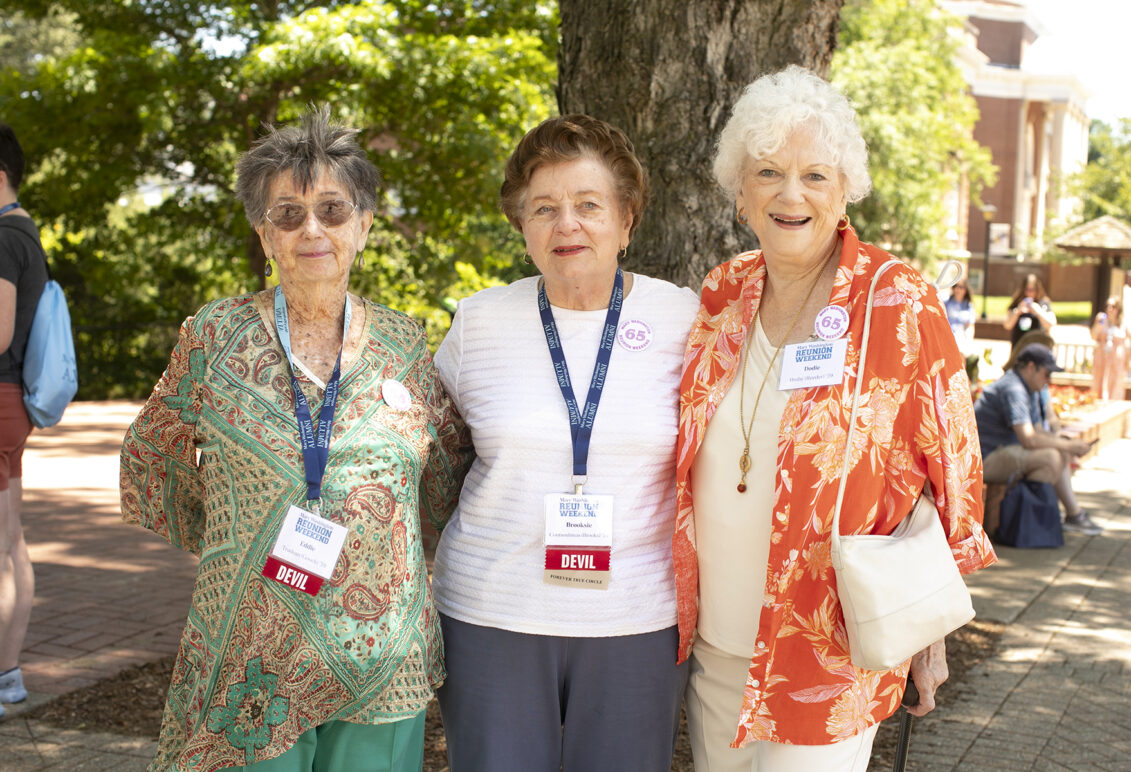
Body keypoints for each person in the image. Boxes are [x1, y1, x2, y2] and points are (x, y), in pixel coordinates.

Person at [119, 106, 472, 771]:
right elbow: (151, 456)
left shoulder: (406, 341)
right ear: (263, 233)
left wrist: (385, 551)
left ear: (364, 225)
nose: (311, 228)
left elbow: (445, 472)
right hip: (248, 657)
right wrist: (231, 538)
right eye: (288, 214)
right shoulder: (213, 336)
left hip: (379, 658)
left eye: (333, 211)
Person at [675, 65, 997, 770]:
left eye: (814, 176)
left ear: (844, 189)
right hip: (719, 646)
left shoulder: (897, 301)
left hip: (828, 650)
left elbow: (955, 470)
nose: (790, 195)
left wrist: (928, 620)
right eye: (767, 172)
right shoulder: (722, 293)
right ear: (738, 192)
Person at [431, 114, 699, 771]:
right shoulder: (478, 322)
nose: (566, 225)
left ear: (626, 219)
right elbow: (430, 460)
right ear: (521, 225)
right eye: (543, 208)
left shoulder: (686, 319)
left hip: (635, 620)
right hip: (491, 614)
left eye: (588, 205)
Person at [0, 124, 46, 721]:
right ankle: (8, 676)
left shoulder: (3, 237)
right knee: (11, 541)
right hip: (12, 402)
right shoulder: (25, 231)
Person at [975, 343, 1103, 535]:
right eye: (1046, 373)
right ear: (1030, 367)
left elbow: (1037, 433)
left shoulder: (1028, 387)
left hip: (1003, 451)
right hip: (983, 459)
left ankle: (1043, 520)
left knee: (1058, 453)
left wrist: (1065, 445)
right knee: (1051, 457)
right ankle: (1031, 523)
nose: (1048, 380)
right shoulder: (1014, 389)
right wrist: (1068, 445)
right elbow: (1029, 439)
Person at [1004, 273, 1056, 347]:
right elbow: (1007, 325)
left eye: (1032, 289)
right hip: (1019, 346)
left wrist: (1038, 311)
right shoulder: (1017, 303)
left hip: (1037, 346)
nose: (1029, 292)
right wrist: (1017, 311)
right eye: (1027, 289)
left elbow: (1051, 323)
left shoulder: (1043, 303)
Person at [1091, 296, 1126, 400]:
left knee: (1114, 383)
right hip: (1102, 358)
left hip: (1116, 360)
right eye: (1108, 305)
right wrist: (1098, 324)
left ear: (1118, 309)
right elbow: (1094, 336)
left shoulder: (1123, 324)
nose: (1109, 308)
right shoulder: (1102, 320)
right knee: (1100, 381)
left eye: (1113, 306)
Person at [945, 278, 976, 355]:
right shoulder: (946, 303)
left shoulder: (969, 306)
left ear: (965, 290)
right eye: (955, 286)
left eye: (960, 287)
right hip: (947, 336)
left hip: (961, 338)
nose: (957, 289)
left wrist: (968, 341)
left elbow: (970, 326)